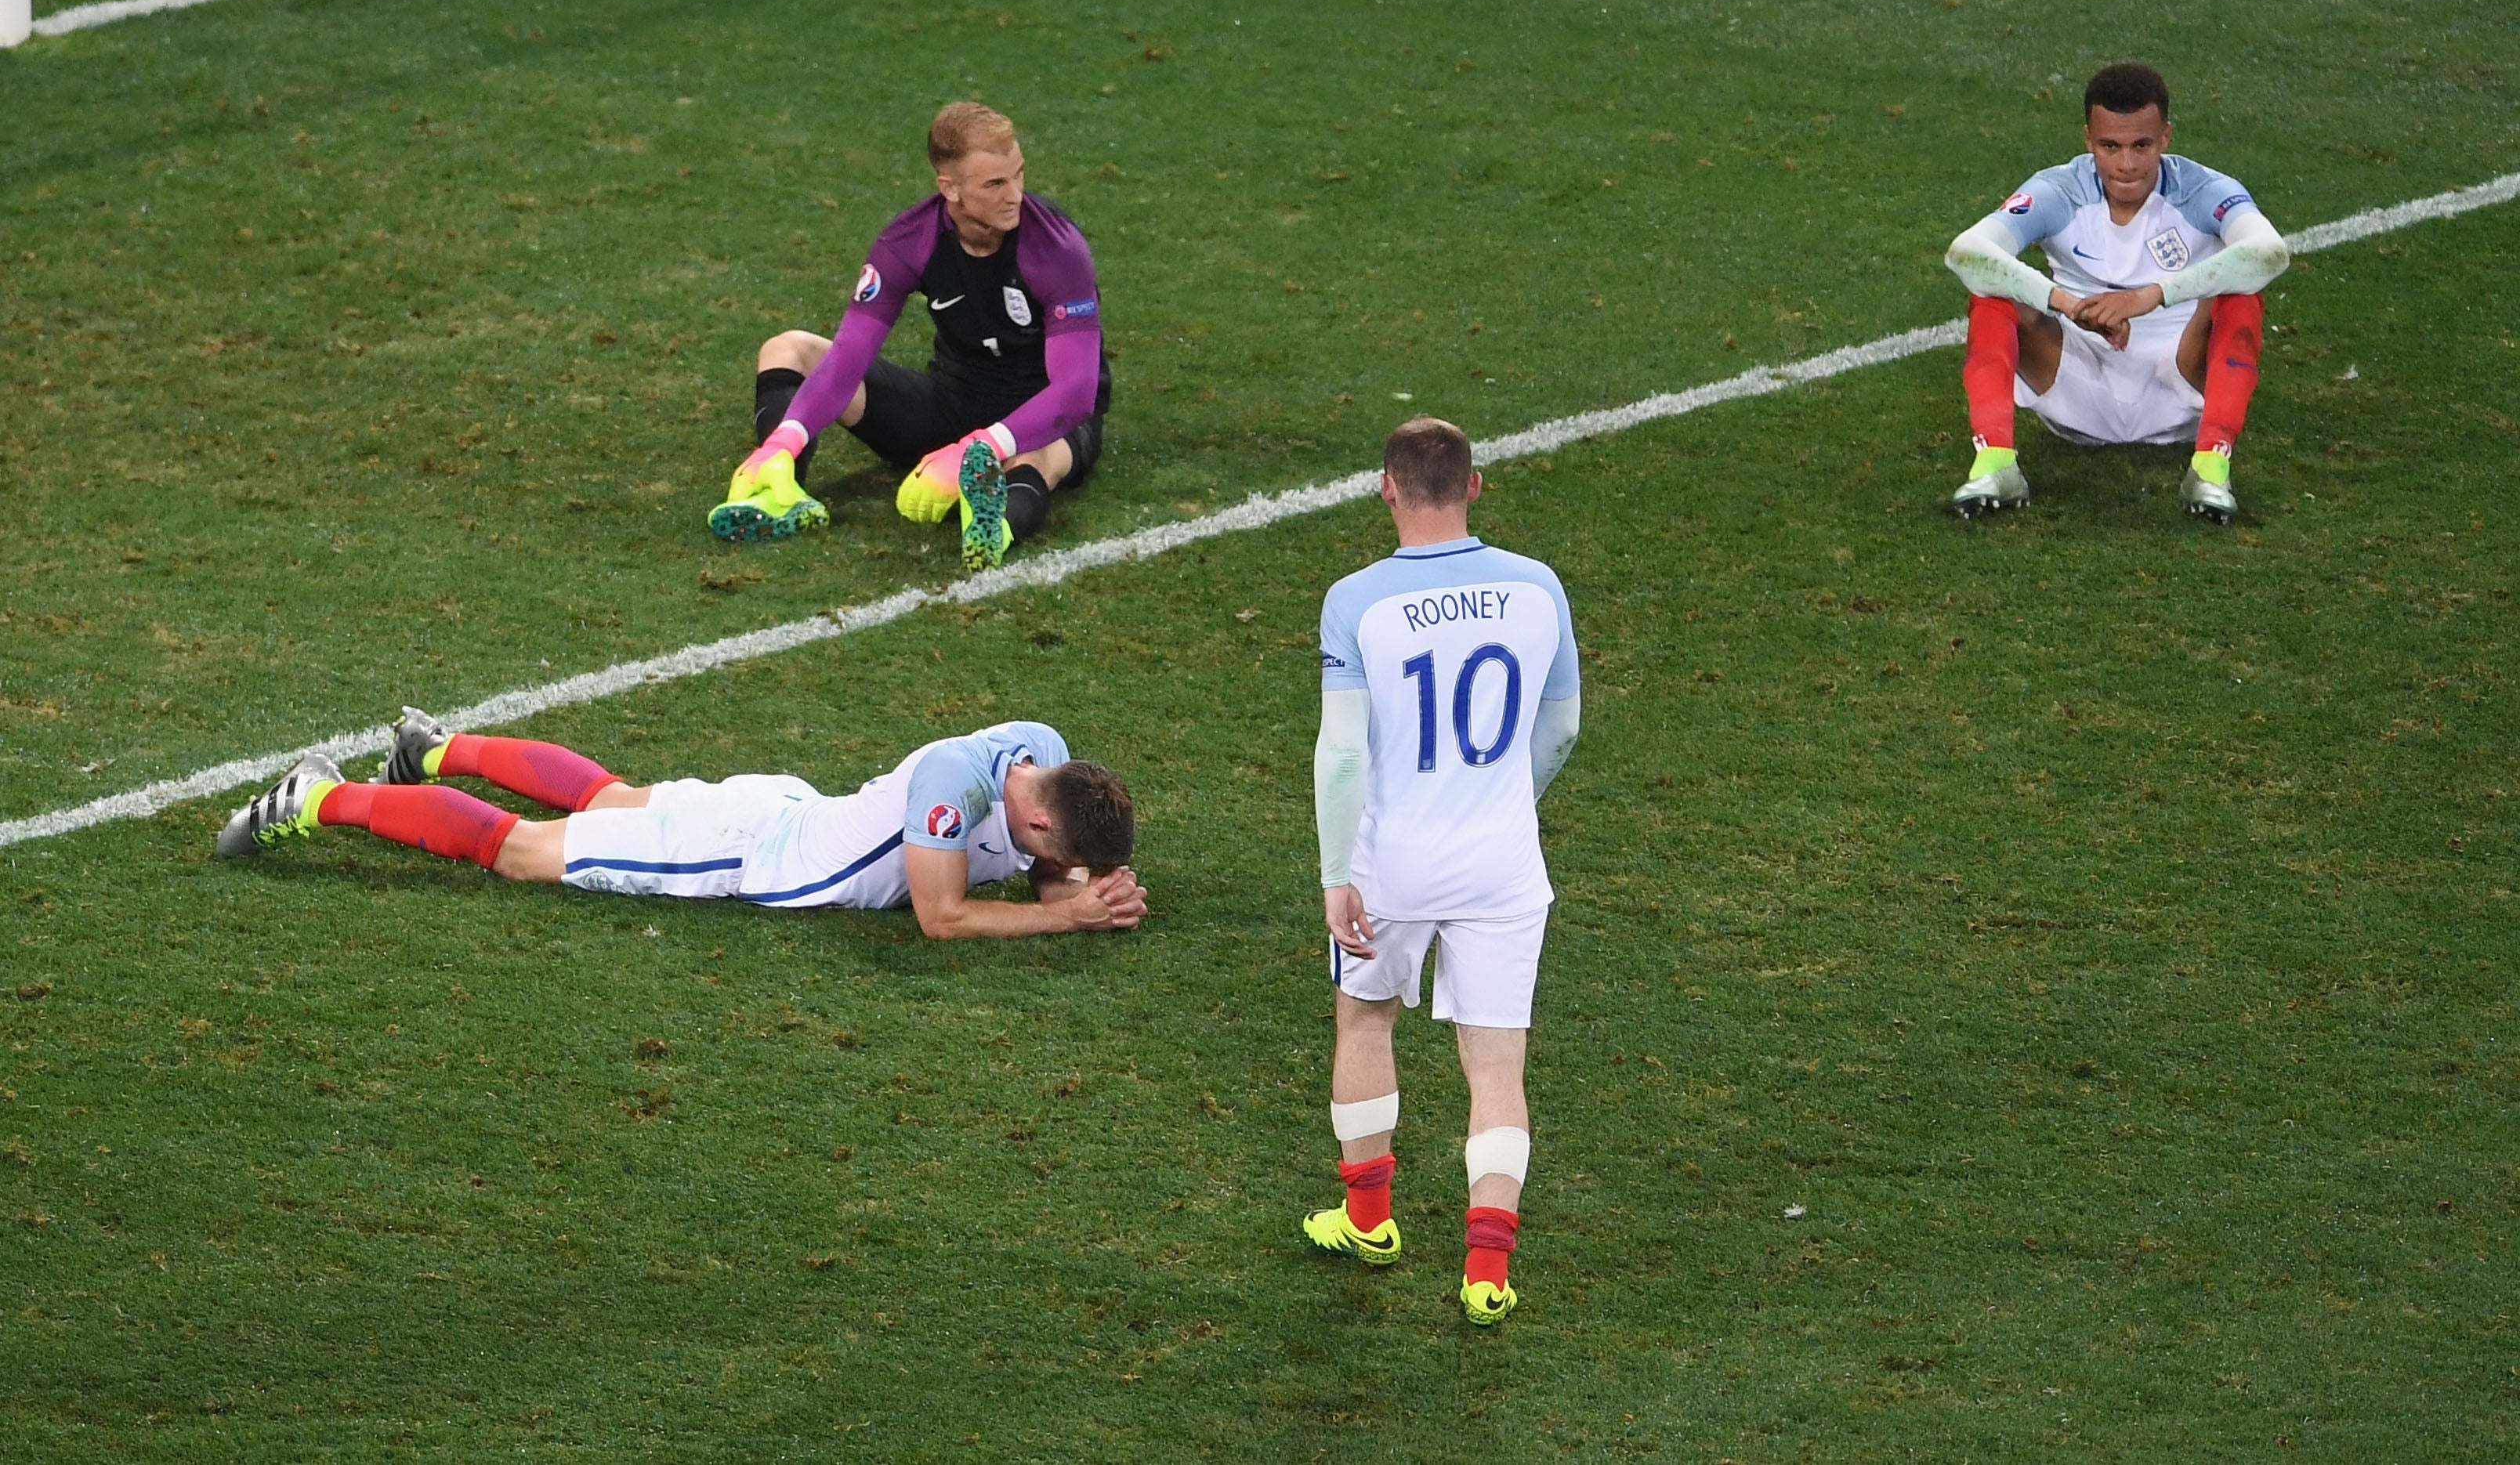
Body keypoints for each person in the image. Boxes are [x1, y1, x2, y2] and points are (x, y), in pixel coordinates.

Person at [1302, 417, 1582, 1326]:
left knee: (1366, 1019)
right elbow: (1564, 727)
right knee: (1497, 1064)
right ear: (1475, 485)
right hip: (1505, 863)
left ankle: (1370, 1221)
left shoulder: (1357, 601)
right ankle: (1487, 1275)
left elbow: (1344, 755)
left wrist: (1335, 870)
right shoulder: (1539, 587)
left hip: (1396, 860)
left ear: (1386, 487)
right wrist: (1507, 799)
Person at [215, 709, 1146, 938]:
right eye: (1048, 850)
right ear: (1030, 811)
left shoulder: (1040, 747)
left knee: (613, 799)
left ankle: (433, 747)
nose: (1046, 867)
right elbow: (940, 919)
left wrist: (1082, 880)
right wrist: (1065, 914)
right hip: (752, 853)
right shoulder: (952, 789)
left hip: (786, 808)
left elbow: (1044, 864)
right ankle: (315, 799)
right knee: (525, 852)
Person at [709, 101, 1112, 572]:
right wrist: (786, 439)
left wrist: (978, 448)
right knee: (789, 349)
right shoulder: (909, 242)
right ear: (951, 189)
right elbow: (848, 357)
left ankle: (994, 530)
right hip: (953, 404)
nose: (1015, 195)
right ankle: (780, 492)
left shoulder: (1057, 249)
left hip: (1041, 418)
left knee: (1034, 460)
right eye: (995, 184)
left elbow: (1075, 393)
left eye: (1019, 175)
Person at [1944, 62, 2291, 523]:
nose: (2126, 165)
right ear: (2088, 140)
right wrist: (2065, 303)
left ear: (2166, 138)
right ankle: (1996, 464)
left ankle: (2211, 468)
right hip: (2075, 377)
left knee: (2241, 292)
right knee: (1992, 292)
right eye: (2110, 146)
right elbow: (1966, 252)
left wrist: (2150, 296)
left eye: (2141, 146)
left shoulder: (2205, 189)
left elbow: (2269, 253)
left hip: (2178, 383)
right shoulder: (2058, 190)